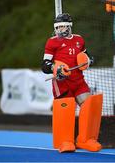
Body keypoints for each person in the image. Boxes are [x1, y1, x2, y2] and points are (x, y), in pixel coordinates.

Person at [41, 13, 103, 153]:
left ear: (69, 27)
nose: (59, 30)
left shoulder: (79, 39)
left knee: (89, 105)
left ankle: (85, 139)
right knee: (65, 109)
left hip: (78, 80)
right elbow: (45, 65)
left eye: (62, 26)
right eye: (57, 27)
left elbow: (87, 56)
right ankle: (65, 141)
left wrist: (88, 61)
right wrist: (55, 68)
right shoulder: (52, 42)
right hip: (62, 82)